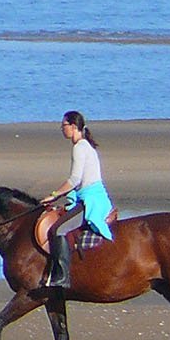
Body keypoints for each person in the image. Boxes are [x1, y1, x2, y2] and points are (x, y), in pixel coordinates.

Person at [40, 110, 114, 289]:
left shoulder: (80, 147)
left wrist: (54, 194)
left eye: (63, 125)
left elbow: (74, 180)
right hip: (86, 196)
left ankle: (63, 276)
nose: (61, 129)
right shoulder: (85, 146)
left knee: (57, 230)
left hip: (91, 200)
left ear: (73, 127)